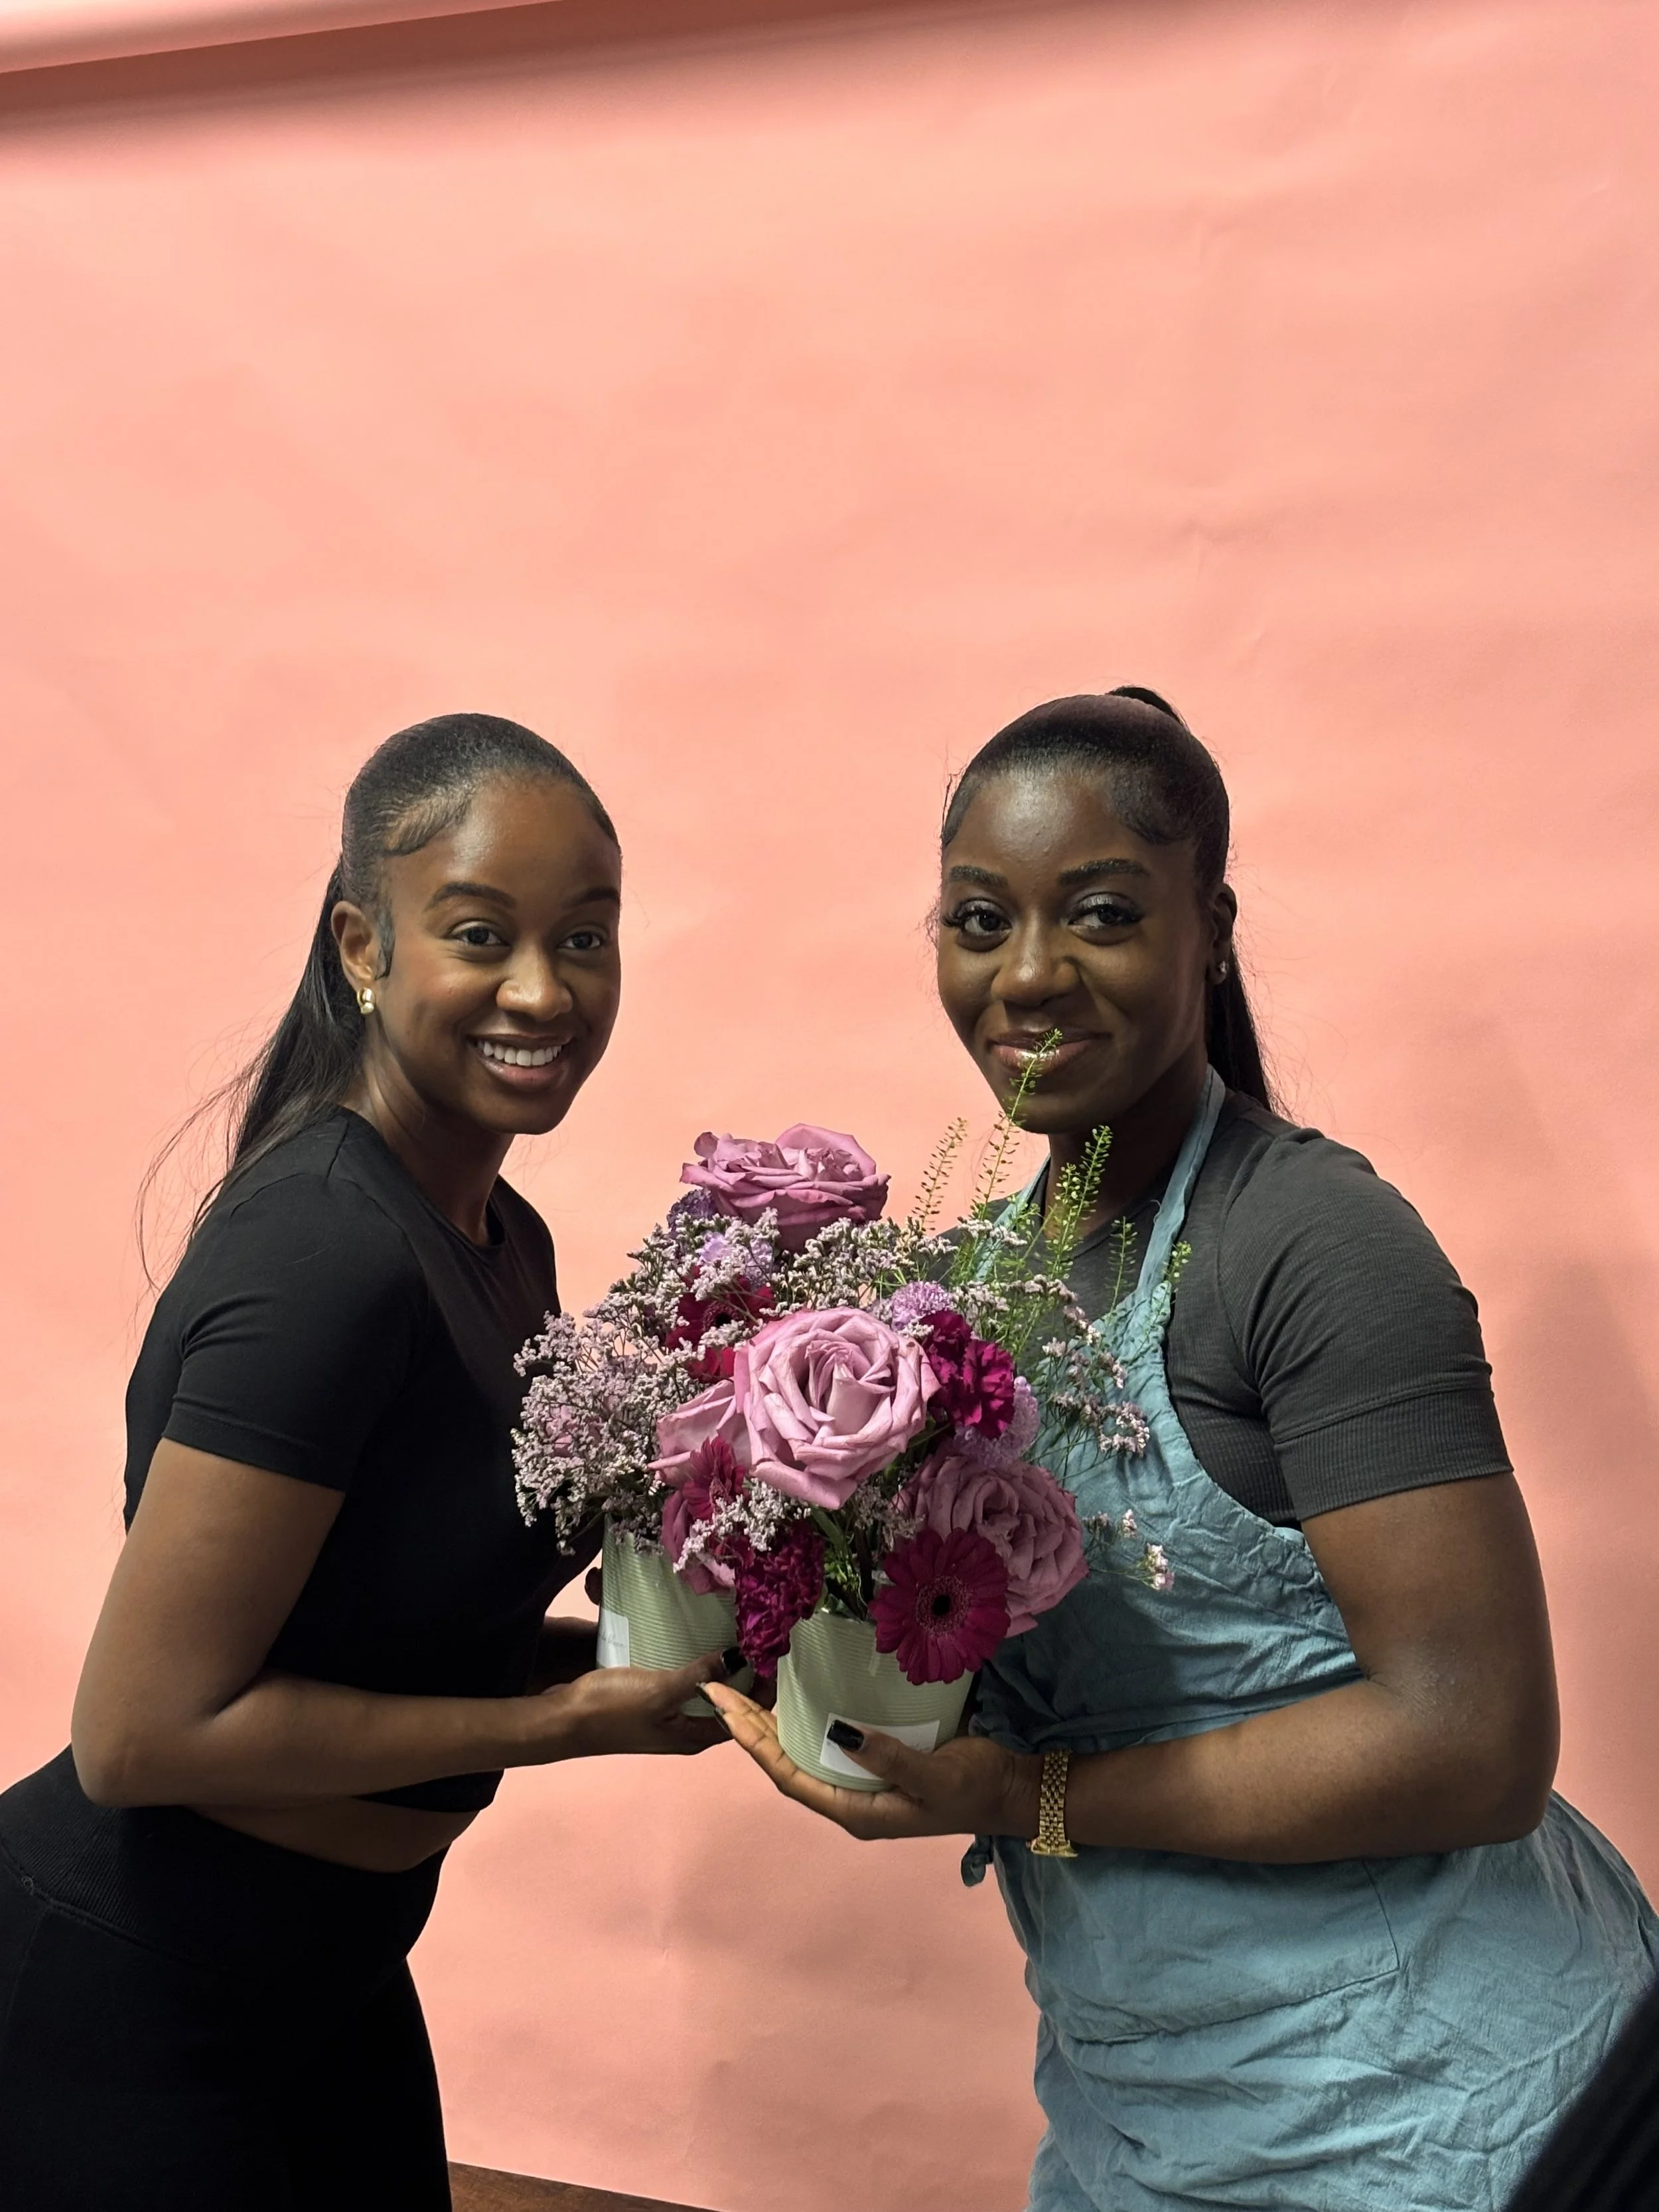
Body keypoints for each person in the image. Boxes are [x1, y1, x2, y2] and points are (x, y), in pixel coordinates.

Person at [708, 690, 1658, 2210]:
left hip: (1431, 2116)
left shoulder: (1310, 1243)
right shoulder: (974, 1287)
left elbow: (1470, 1743)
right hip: (1146, 2115)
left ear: (1205, 930)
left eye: (1096, 913)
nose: (1027, 973)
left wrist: (1027, 1799)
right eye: (977, 918)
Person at [0, 713, 730, 2212]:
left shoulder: (496, 1238)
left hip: (326, 1971)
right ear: (361, 946)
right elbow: (145, 1732)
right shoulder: (328, 1248)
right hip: (123, 1990)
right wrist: (560, 1725)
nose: (545, 989)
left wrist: (634, 1661)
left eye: (585, 938)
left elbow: (386, 1626)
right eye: (481, 934)